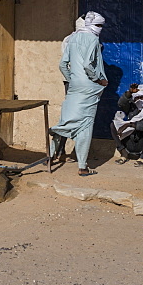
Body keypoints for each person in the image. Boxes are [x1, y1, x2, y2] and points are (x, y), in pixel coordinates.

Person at [50, 11, 107, 177]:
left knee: (66, 118)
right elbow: (89, 64)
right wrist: (99, 80)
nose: (100, 29)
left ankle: (51, 154)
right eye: (99, 25)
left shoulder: (72, 39)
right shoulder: (93, 39)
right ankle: (82, 166)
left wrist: (73, 79)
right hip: (90, 87)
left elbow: (62, 64)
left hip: (74, 86)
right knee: (86, 124)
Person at [111, 83, 143, 167]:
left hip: (142, 142)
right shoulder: (131, 107)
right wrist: (129, 92)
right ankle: (123, 153)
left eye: (142, 98)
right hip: (130, 141)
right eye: (137, 98)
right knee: (113, 125)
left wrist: (130, 125)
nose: (139, 100)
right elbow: (121, 103)